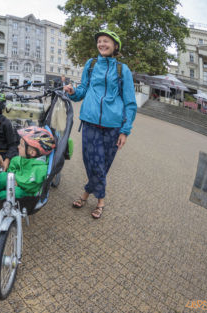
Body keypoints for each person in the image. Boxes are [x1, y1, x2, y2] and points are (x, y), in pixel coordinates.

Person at [64, 30, 137, 219]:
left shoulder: (123, 70)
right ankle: (100, 199)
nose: (102, 44)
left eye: (106, 41)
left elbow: (130, 103)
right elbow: (83, 90)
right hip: (90, 121)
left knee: (103, 164)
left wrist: (125, 131)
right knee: (92, 162)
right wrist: (73, 92)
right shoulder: (91, 64)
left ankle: (87, 195)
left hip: (113, 125)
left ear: (115, 46)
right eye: (99, 41)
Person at [0, 126, 56, 200]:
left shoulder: (40, 169)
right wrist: (13, 178)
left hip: (26, 192)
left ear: (32, 153)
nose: (18, 147)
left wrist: (15, 181)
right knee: (2, 177)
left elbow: (28, 185)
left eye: (21, 145)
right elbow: (12, 166)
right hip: (18, 181)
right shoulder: (20, 158)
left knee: (15, 192)